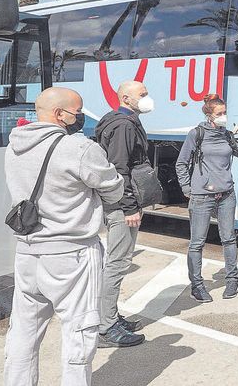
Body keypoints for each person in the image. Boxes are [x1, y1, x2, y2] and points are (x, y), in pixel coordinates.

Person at [4, 87, 124, 386]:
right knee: (79, 332)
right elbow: (114, 188)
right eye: (77, 111)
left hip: (28, 251)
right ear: (60, 114)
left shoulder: (15, 145)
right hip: (72, 253)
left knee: (23, 330)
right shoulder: (79, 148)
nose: (81, 116)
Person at [175, 94, 238, 302]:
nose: (224, 116)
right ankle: (197, 286)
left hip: (226, 194)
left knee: (228, 239)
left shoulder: (228, 135)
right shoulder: (197, 134)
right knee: (197, 242)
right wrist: (186, 188)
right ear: (209, 115)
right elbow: (181, 163)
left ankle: (232, 281)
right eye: (220, 113)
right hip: (202, 196)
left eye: (225, 112)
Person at [93, 81, 153, 348]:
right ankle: (105, 328)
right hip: (121, 205)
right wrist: (129, 207)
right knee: (116, 264)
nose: (147, 98)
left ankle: (111, 316)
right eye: (142, 94)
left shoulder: (122, 121)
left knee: (117, 262)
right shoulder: (124, 125)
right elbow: (119, 168)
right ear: (126, 98)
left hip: (122, 203)